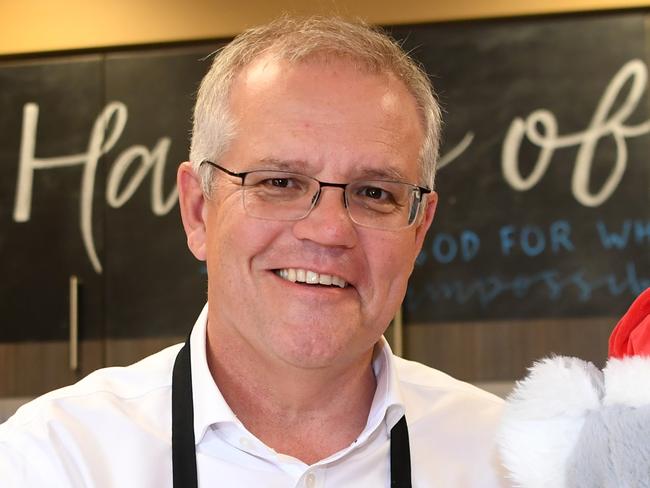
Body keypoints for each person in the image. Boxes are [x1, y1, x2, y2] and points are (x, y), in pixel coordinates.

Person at [0, 16, 509, 487]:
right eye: (280, 182)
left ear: (418, 230)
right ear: (199, 210)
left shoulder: (511, 462)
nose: (329, 230)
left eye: (375, 193)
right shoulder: (54, 460)